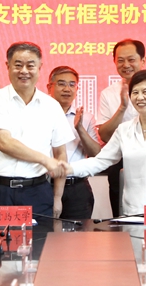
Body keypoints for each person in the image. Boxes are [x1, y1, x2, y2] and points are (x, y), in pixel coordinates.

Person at [61, 70, 146, 216]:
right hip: (133, 210)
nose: (139, 97)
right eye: (135, 92)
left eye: (145, 92)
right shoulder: (124, 130)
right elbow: (100, 161)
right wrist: (67, 168)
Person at [0, 42, 74, 219]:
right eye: (18, 65)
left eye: (30, 65)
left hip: (37, 192)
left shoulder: (52, 106)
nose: (24, 71)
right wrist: (45, 160)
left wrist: (57, 197)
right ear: (7, 66)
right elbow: (4, 143)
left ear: (40, 67)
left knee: (39, 238)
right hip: (0, 192)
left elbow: (60, 153)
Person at [97, 39, 146, 216]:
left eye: (131, 59)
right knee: (123, 216)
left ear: (143, 60)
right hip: (121, 160)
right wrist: (122, 107)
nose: (126, 65)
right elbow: (105, 136)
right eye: (120, 60)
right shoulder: (108, 93)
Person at [47, 66, 101, 219]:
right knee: (43, 232)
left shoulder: (86, 117)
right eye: (61, 84)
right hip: (44, 185)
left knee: (79, 233)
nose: (67, 89)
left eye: (72, 84)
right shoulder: (39, 115)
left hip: (76, 187)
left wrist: (80, 129)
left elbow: (96, 154)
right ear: (49, 87)